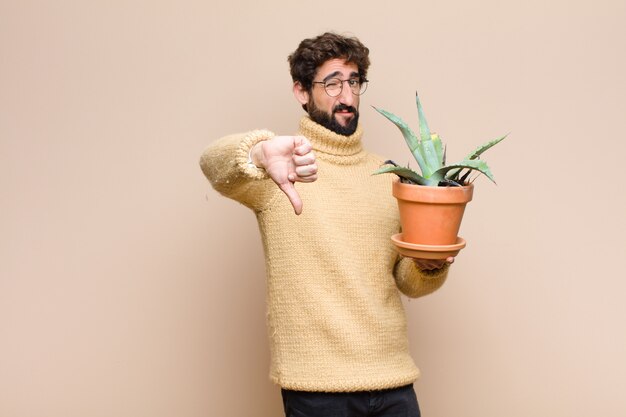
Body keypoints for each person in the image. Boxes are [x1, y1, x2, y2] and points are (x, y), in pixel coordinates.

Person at [200, 32, 453, 417]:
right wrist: (258, 151)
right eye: (332, 83)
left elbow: (406, 280)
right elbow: (213, 164)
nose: (347, 96)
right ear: (302, 92)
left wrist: (430, 264)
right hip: (316, 388)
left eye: (353, 82)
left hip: (393, 380)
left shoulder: (390, 177)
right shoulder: (282, 170)